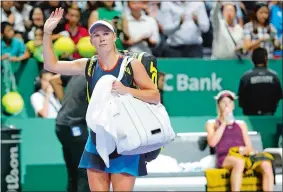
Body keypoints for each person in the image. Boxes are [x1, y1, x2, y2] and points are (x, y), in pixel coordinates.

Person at [43, 8, 160, 191]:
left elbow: (154, 95)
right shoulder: (89, 65)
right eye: (96, 35)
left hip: (125, 140)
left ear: (114, 38)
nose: (101, 37)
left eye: (106, 33)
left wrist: (126, 90)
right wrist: (48, 32)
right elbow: (51, 65)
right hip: (97, 139)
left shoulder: (131, 64)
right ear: (91, 41)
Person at [205, 90, 274, 192]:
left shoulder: (241, 124)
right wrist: (224, 123)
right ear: (218, 105)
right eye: (224, 102)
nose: (226, 105)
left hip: (243, 155)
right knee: (239, 163)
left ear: (233, 105)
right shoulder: (212, 123)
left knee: (266, 164)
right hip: (226, 157)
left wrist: (245, 150)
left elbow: (249, 146)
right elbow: (212, 142)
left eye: (229, 102)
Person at [49, 74, 89, 192]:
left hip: (62, 125)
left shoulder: (80, 70)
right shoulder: (96, 74)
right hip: (73, 126)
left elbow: (53, 80)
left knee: (73, 170)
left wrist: (65, 104)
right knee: (84, 170)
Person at [237, 47, 283, 115]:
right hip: (269, 117)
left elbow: (240, 100)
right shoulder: (274, 77)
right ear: (266, 59)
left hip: (250, 118)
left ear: (252, 59)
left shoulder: (245, 77)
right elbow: (279, 96)